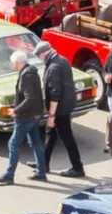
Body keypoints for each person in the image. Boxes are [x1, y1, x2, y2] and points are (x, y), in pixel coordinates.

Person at [36, 41, 85, 177]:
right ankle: (43, 163)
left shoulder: (53, 67)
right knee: (50, 135)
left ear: (44, 53)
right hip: (66, 105)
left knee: (67, 137)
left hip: (60, 109)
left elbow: (55, 93)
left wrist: (52, 115)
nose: (39, 58)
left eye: (39, 55)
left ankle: (77, 167)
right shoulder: (62, 60)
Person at [0, 50, 46, 185]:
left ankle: (9, 175)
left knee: (13, 144)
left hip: (26, 117)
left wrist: (16, 111)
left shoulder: (25, 76)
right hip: (35, 114)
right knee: (36, 143)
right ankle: (41, 172)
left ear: (18, 63)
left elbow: (29, 98)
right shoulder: (33, 73)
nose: (13, 66)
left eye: (13, 63)